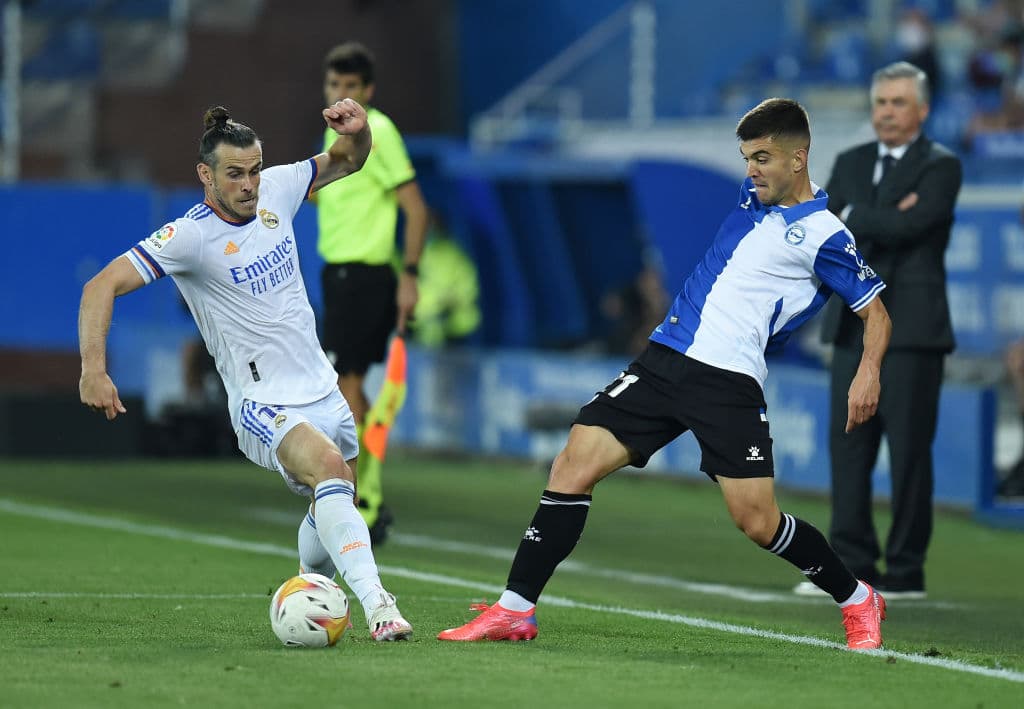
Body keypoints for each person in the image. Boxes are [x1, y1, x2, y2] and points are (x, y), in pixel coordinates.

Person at [438, 98, 893, 650]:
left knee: (757, 520)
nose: (751, 170)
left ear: (799, 158)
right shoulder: (753, 199)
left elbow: (876, 314)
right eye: (747, 158)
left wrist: (868, 371)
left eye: (764, 158)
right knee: (572, 463)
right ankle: (515, 609)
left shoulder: (825, 235)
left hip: (727, 381)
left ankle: (856, 599)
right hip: (662, 360)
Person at [78, 101, 414, 641]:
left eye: (254, 169)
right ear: (206, 176)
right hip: (263, 402)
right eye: (235, 173)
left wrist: (361, 130)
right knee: (330, 470)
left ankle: (310, 587)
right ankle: (379, 607)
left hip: (322, 390)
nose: (250, 183)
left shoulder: (281, 188)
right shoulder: (188, 237)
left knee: (335, 496)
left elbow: (348, 160)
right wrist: (93, 369)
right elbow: (100, 286)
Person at [798, 62, 961, 600]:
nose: (887, 112)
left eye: (898, 102)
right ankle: (849, 566)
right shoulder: (850, 160)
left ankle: (907, 569)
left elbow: (915, 227)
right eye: (881, 102)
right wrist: (879, 215)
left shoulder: (941, 166)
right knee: (849, 449)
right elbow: (830, 233)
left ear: (922, 109)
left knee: (909, 452)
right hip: (852, 328)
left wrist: (857, 214)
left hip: (913, 332)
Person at [314, 41, 428, 543]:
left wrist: (409, 275)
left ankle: (354, 502)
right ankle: (362, 500)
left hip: (362, 274)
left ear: (369, 91)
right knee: (352, 386)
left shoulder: (376, 130)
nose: (341, 94)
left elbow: (416, 208)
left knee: (348, 388)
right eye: (334, 85)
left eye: (350, 87)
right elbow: (328, 195)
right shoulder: (336, 130)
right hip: (342, 274)